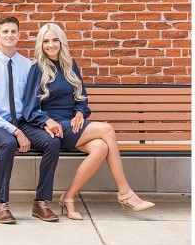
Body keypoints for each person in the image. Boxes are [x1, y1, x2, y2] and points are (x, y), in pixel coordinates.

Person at [22, 22, 155, 220]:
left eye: (55, 40)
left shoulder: (69, 65)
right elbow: (29, 108)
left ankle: (68, 197)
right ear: (40, 44)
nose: (50, 45)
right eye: (46, 41)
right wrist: (46, 120)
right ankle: (125, 192)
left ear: (62, 42)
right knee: (107, 130)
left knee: (101, 147)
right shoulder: (38, 69)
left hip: (74, 124)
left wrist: (79, 113)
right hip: (56, 128)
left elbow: (81, 98)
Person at [0, 16, 62, 224]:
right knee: (8, 142)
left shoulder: (28, 66)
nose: (9, 35)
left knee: (52, 142)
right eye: (5, 32)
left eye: (13, 31)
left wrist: (43, 122)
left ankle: (40, 202)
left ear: (19, 35)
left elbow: (34, 102)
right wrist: (15, 131)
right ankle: (1, 205)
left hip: (23, 123)